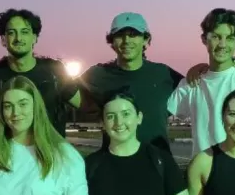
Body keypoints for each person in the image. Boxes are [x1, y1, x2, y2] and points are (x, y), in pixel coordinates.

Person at [77, 12, 185, 153]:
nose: (126, 40)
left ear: (145, 40)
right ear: (112, 41)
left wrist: (198, 69)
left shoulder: (164, 74)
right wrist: (95, 111)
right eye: (120, 35)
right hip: (114, 164)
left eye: (133, 34)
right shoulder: (98, 74)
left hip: (158, 164)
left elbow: (197, 91)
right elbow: (66, 92)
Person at [167, 8, 235, 158]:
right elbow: (178, 140)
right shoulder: (187, 85)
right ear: (204, 39)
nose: (222, 44)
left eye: (230, 38)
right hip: (201, 175)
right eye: (216, 37)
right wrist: (183, 171)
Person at [0, 8, 81, 137]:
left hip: (49, 154)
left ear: (34, 38)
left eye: (25, 32)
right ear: (3, 39)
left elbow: (81, 103)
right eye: (12, 33)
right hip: (8, 154)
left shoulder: (55, 71)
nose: (18, 38)